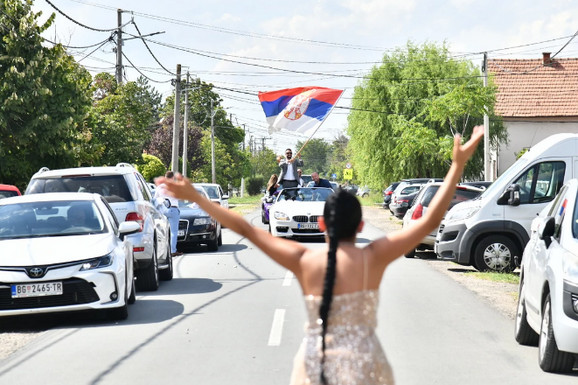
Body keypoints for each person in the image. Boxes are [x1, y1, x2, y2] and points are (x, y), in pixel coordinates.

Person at [155, 126, 483, 385]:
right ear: (362, 225)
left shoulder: (303, 261)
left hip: (315, 364)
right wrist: (457, 165)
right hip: (365, 365)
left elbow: (246, 229)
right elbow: (429, 220)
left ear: (323, 222)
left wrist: (195, 196)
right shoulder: (374, 257)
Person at [155, 171, 183, 257]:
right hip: (173, 209)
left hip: (163, 210)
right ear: (172, 178)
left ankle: (163, 252)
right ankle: (173, 250)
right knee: (174, 232)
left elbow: (155, 198)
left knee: (162, 232)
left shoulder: (160, 187)